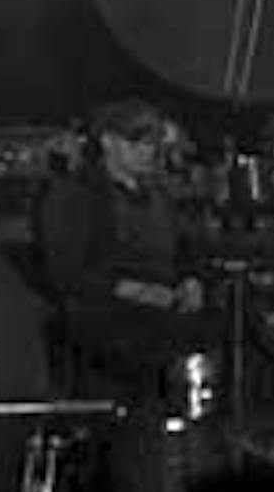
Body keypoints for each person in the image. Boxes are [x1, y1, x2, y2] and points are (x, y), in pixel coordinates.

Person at [37, 95, 208, 397]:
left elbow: (186, 249)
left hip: (164, 316)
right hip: (104, 321)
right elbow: (65, 272)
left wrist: (191, 279)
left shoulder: (161, 197)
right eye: (136, 142)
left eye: (152, 143)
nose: (147, 152)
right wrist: (129, 289)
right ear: (108, 142)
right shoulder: (75, 195)